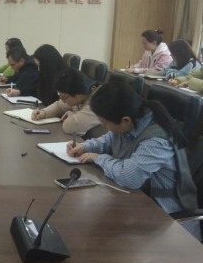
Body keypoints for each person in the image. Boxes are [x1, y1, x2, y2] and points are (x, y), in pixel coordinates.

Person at [66, 81, 201, 240]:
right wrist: (85, 146)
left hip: (168, 219)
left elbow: (130, 177)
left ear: (125, 120)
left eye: (104, 123)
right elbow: (109, 140)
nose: (104, 126)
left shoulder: (157, 140)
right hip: (138, 201)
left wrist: (100, 158)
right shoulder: (132, 119)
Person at [33, 68, 100, 136]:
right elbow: (60, 106)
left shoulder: (98, 102)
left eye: (63, 97)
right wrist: (44, 112)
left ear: (79, 95)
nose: (63, 100)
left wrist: (72, 114)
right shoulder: (81, 94)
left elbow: (71, 127)